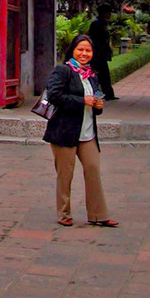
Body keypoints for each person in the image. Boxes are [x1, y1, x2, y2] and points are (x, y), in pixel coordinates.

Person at [42, 33, 119, 228]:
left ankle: (98, 214)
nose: (84, 54)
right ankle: (64, 214)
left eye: (88, 50)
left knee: (93, 170)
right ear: (73, 50)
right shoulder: (63, 71)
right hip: (65, 132)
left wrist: (98, 106)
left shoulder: (91, 75)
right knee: (65, 175)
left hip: (87, 133)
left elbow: (94, 101)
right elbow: (54, 95)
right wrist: (81, 101)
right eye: (80, 49)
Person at [88, 4, 117, 100]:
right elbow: (94, 40)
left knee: (103, 75)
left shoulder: (103, 24)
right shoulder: (97, 24)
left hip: (101, 54)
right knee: (98, 74)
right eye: (107, 13)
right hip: (97, 54)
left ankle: (108, 93)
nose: (109, 15)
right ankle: (102, 93)